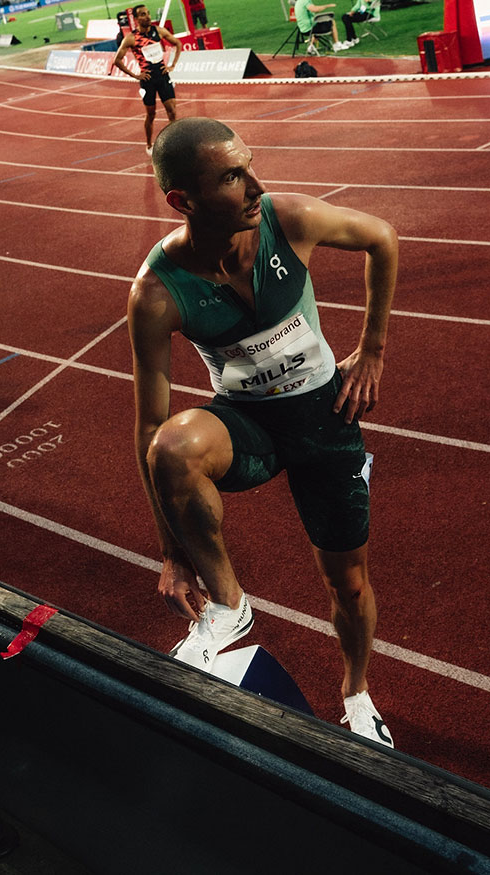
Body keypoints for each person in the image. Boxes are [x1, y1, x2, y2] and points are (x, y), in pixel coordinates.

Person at [128, 117, 398, 747]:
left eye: (249, 165)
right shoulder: (158, 292)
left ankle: (356, 692)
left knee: (348, 582)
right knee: (171, 445)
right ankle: (229, 603)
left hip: (323, 420)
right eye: (231, 176)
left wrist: (374, 348)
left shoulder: (288, 220)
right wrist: (172, 552)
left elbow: (383, 238)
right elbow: (148, 423)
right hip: (247, 424)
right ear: (182, 200)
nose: (255, 185)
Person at [113, 5, 182, 157]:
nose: (148, 16)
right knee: (151, 114)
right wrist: (135, 75)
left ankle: (175, 142)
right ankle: (149, 144)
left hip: (163, 76)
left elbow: (177, 43)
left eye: (148, 13)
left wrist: (172, 65)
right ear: (137, 19)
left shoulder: (159, 31)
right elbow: (117, 60)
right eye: (143, 15)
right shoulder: (131, 38)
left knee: (172, 110)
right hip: (148, 80)